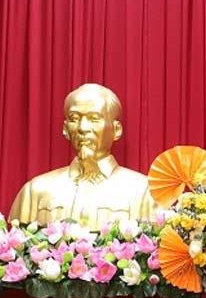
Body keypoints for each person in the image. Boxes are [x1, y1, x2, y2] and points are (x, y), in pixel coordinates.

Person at [9, 83, 156, 226]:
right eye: (75, 118)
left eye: (94, 118)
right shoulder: (35, 191)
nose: (83, 128)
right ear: (66, 129)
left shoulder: (143, 192)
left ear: (116, 130)